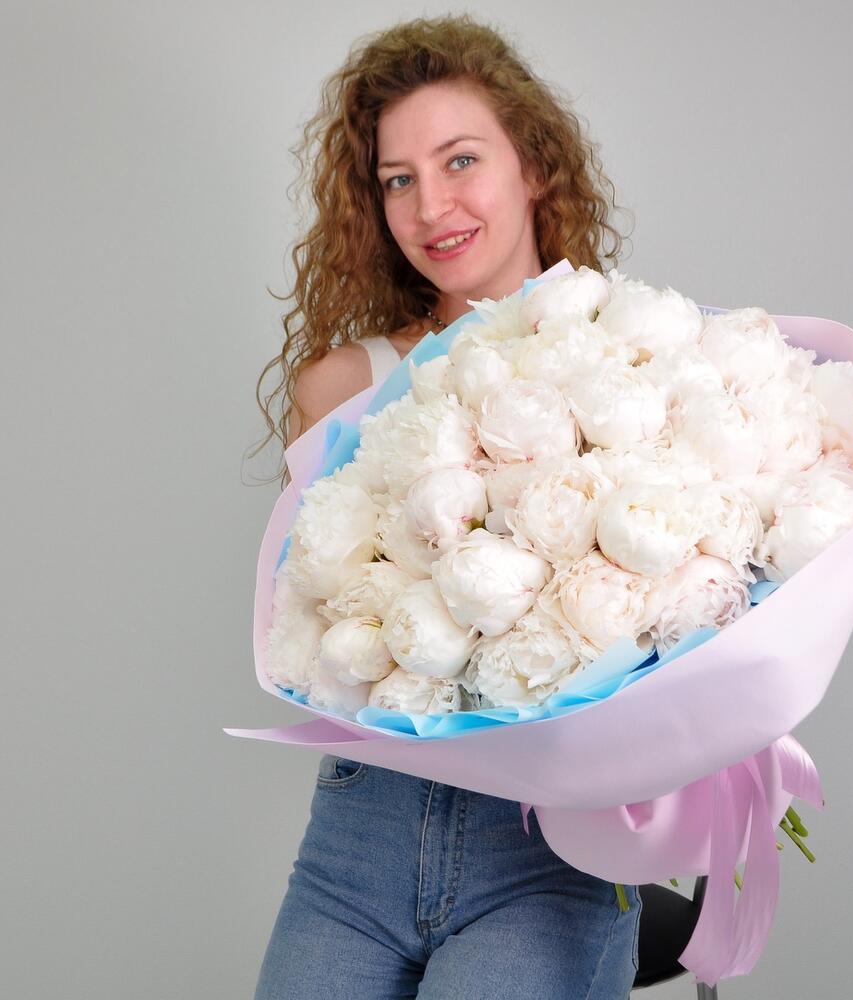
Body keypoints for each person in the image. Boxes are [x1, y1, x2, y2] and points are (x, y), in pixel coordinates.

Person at [249, 14, 640, 1000]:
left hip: (544, 854)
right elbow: (316, 630)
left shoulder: (633, 371)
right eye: (398, 179)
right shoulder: (341, 387)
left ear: (534, 167)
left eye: (460, 160)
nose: (431, 205)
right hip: (358, 840)